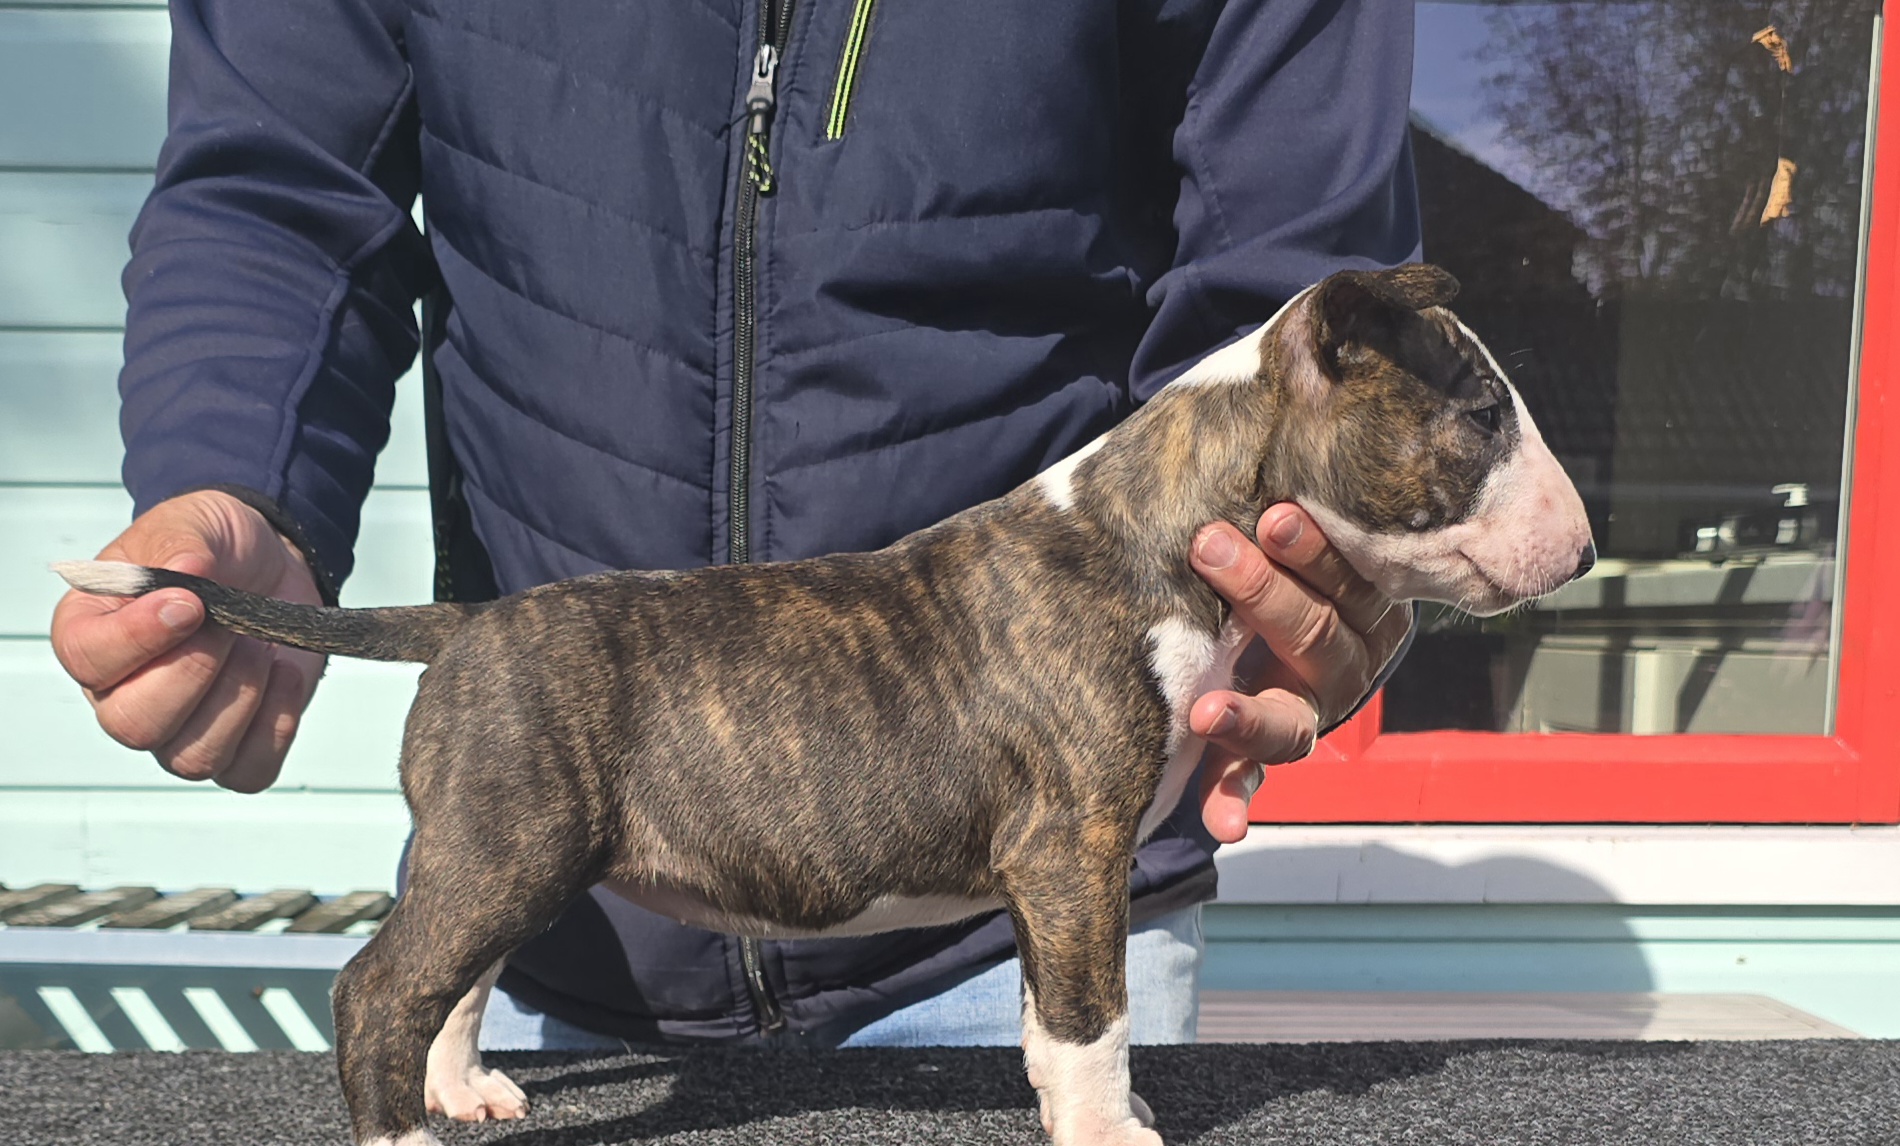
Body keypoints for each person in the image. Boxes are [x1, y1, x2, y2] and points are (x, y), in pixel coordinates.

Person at [49, 0, 1419, 1050]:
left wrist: (1291, 569)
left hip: (1032, 932)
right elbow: (280, 185)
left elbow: (1294, 299)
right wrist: (248, 475)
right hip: (561, 919)